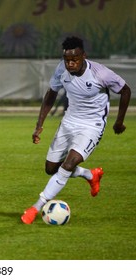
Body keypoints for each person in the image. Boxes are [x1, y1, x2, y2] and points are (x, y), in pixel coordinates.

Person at [21, 36, 131, 224]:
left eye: (74, 60)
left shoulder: (100, 73)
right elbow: (51, 94)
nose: (70, 64)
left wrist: (118, 122)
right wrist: (39, 125)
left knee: (68, 165)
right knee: (51, 168)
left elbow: (125, 90)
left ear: (83, 56)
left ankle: (35, 207)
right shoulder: (61, 69)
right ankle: (90, 174)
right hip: (69, 121)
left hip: (92, 126)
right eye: (67, 60)